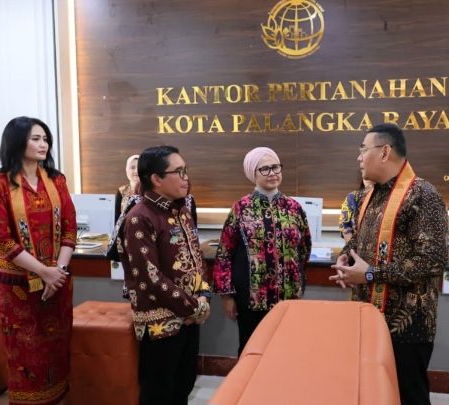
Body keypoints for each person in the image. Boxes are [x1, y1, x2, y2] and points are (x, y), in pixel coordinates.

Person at [330, 123, 448, 405]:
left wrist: (371, 274)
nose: (359, 157)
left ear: (384, 152)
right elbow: (360, 239)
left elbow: (433, 260)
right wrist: (346, 256)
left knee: (406, 396)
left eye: (363, 149)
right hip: (368, 318)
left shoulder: (423, 195)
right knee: (371, 393)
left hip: (406, 327)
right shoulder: (369, 196)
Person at [0, 117, 77, 405]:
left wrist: (58, 272)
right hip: (19, 289)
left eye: (45, 139)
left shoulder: (56, 180)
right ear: (17, 142)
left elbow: (70, 229)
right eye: (35, 138)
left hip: (57, 283)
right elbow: (1, 239)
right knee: (25, 358)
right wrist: (43, 272)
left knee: (57, 353)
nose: (43, 144)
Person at [116, 145, 211, 405]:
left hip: (191, 317)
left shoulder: (181, 210)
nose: (185, 178)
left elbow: (197, 258)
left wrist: (203, 296)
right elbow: (150, 278)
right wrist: (194, 307)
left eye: (185, 170)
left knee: (184, 386)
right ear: (156, 179)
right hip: (162, 323)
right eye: (178, 172)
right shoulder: (139, 217)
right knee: (159, 392)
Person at [213, 147, 312, 356]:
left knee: (285, 351)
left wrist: (296, 279)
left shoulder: (294, 208)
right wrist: (226, 296)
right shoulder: (241, 208)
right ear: (253, 174)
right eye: (264, 169)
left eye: (275, 167)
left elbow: (304, 249)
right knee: (251, 351)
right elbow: (224, 254)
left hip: (288, 297)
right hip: (251, 299)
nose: (272, 173)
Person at [339, 178, 374, 242]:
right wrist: (352, 246)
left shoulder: (388, 196)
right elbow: (345, 226)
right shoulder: (352, 197)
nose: (367, 178)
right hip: (356, 243)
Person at [114, 154, 140, 225]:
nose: (136, 171)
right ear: (127, 170)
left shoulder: (149, 190)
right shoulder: (122, 190)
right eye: (132, 167)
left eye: (139, 168)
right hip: (125, 229)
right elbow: (117, 215)